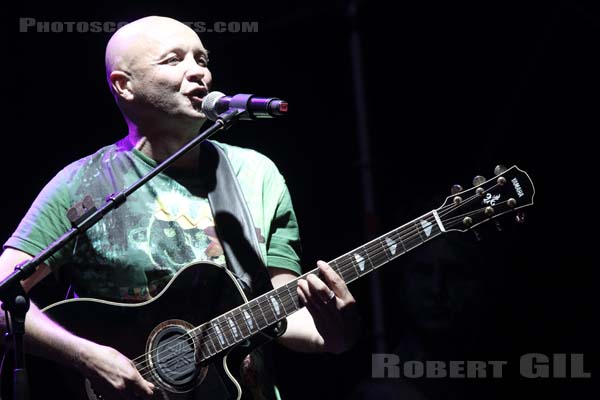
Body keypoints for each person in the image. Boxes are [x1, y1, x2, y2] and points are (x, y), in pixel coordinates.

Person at [0, 15, 361, 399]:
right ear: (124, 86)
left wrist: (335, 332)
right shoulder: (82, 185)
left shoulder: (257, 175)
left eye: (202, 60)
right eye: (174, 60)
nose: (198, 73)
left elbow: (284, 313)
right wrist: (89, 357)